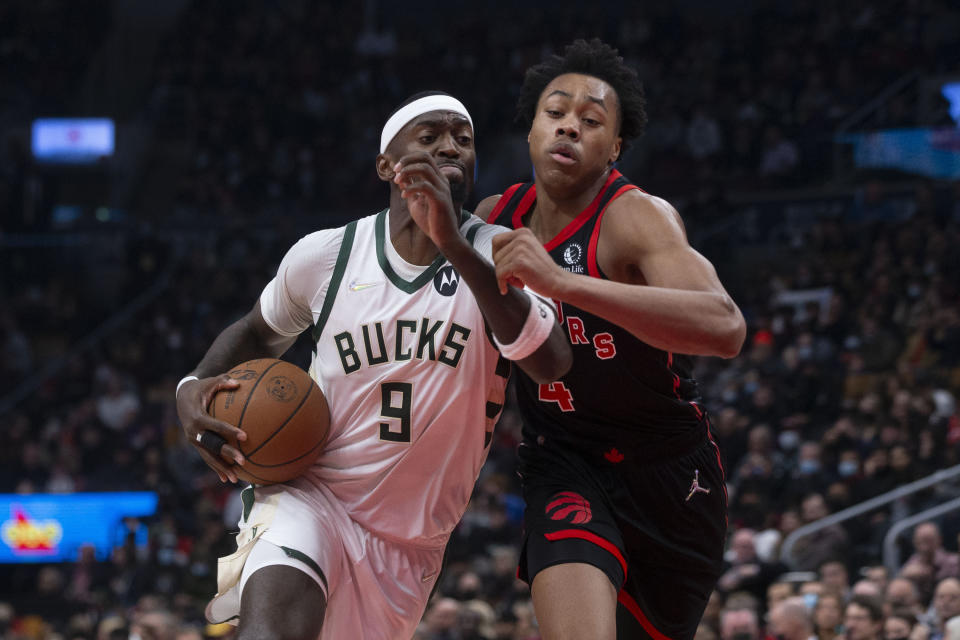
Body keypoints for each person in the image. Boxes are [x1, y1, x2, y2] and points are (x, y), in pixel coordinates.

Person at [175, 91, 572, 639]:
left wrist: (454, 244)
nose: (450, 147)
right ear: (387, 165)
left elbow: (551, 362)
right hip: (310, 494)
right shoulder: (328, 255)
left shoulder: (505, 253)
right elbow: (254, 333)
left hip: (411, 541)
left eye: (463, 137)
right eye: (429, 137)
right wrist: (191, 386)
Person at [479, 39, 746, 639]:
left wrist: (561, 283)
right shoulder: (497, 216)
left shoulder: (634, 216)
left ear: (615, 148)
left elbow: (725, 327)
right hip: (563, 461)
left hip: (671, 471)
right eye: (556, 113)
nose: (569, 127)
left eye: (591, 120)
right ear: (530, 131)